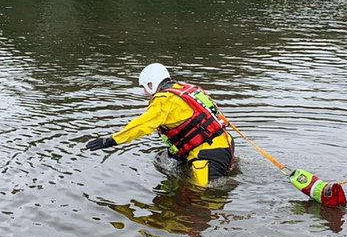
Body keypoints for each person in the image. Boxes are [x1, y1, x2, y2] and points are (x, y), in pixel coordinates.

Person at [84, 63, 235, 187]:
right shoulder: (185, 90)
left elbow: (141, 125)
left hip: (207, 156)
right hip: (224, 145)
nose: (145, 93)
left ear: (151, 84)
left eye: (145, 87)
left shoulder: (164, 100)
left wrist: (112, 140)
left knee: (203, 198)